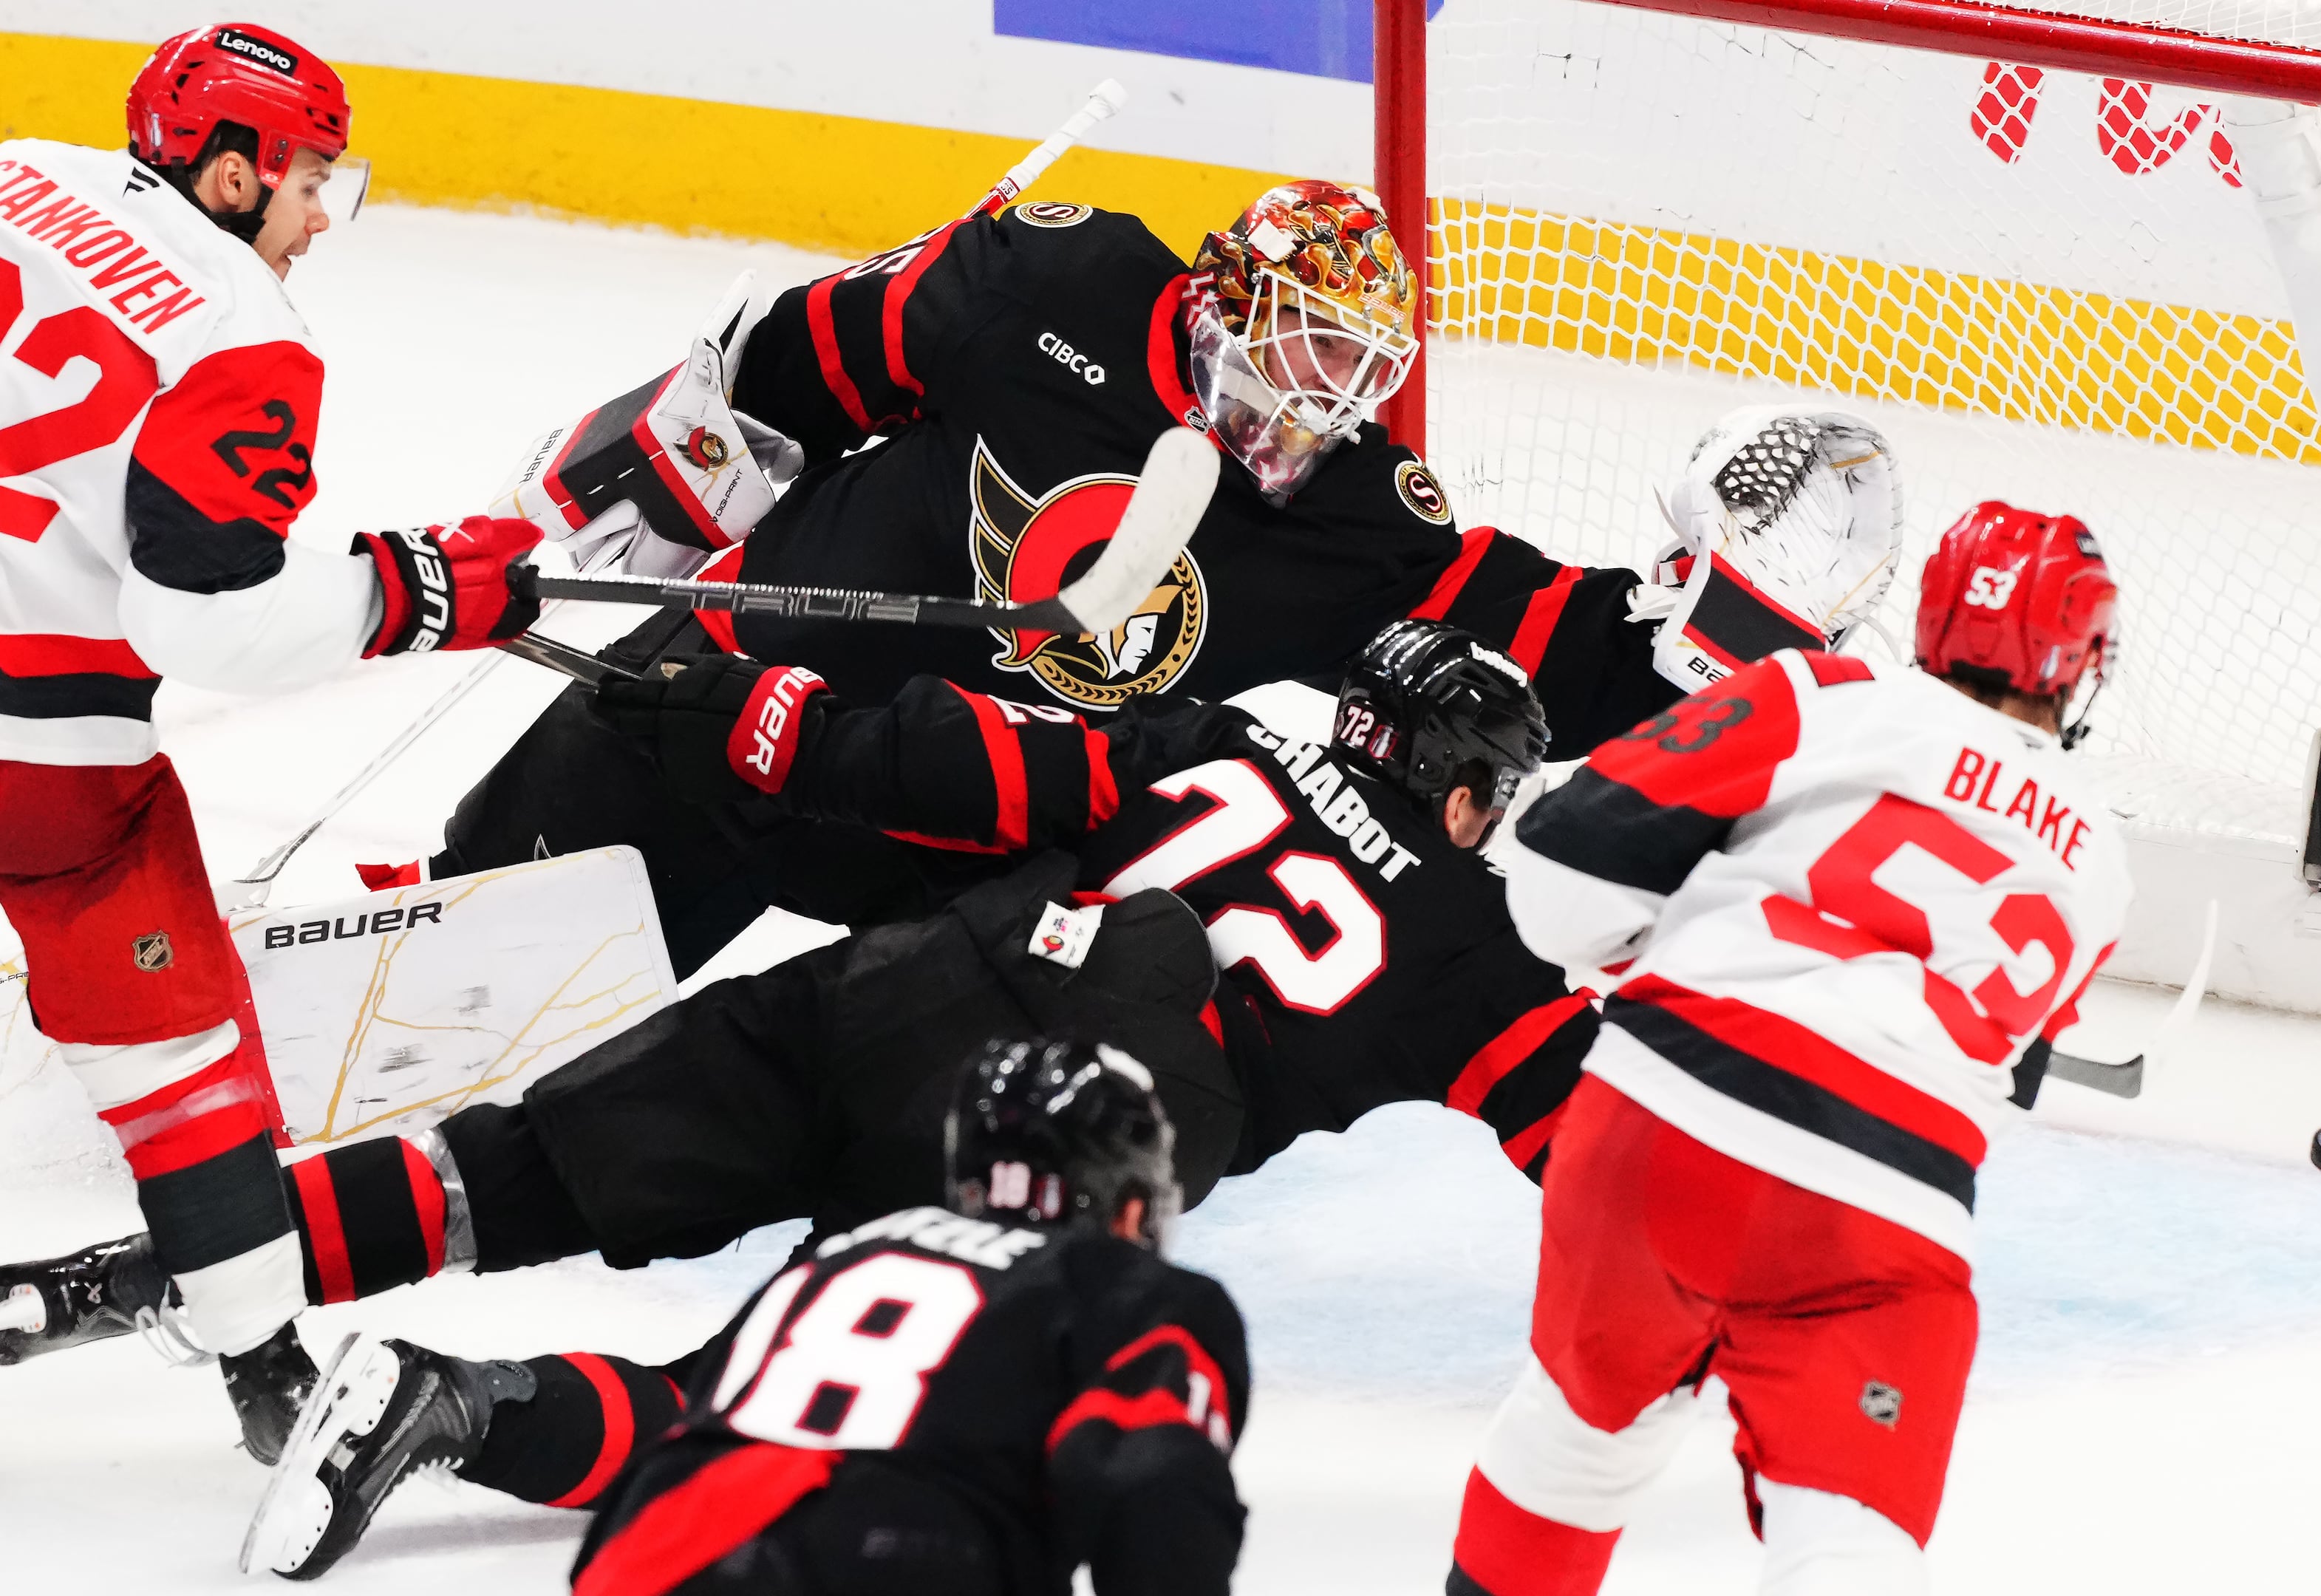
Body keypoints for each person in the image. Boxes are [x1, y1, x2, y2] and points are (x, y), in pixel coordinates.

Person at [0, 621, 1589, 1543]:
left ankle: (113, 1277)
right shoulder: (1484, 943)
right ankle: (452, 1408)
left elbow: (961, 765)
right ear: (1457, 790)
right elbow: (1594, 1137)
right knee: (753, 1408)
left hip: (908, 981)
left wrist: (743, 716)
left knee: (504, 1173)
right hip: (1051, 1143)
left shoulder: (1216, 741)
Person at [437, 165, 1907, 977]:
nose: (1325, 397)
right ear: (1221, 298)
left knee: (937, 1055)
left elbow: (1532, 636)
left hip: (950, 845)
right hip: (744, 709)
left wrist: (1702, 636)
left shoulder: (1345, 511)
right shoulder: (1050, 288)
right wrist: (657, 474)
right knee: (454, 983)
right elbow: (802, 359)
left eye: (1360, 371)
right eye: (1308, 345)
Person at [1442, 502, 2135, 1595]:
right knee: (1848, 1538)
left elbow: (1558, 873)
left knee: (1573, 1442)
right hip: (1877, 1197)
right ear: (2078, 662)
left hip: (1655, 1118)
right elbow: (2011, 1074)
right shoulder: (2101, 868)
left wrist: (1663, 950)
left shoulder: (1822, 692)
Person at [0, 21, 545, 1398]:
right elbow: (205, 621)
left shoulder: (16, 172)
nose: (318, 219)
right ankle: (266, 1372)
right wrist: (409, 595)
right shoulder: (245, 335)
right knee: (176, 1047)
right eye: (311, 181)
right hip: (41, 767)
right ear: (233, 172)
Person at [245, 1037, 1250, 1592]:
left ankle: (474, 1400)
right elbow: (1153, 1485)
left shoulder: (855, 1254)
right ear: (1126, 1194)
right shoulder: (1138, 1295)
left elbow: (688, 1434)